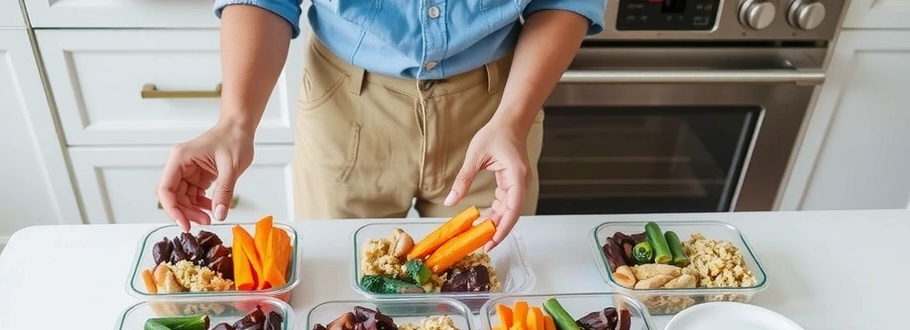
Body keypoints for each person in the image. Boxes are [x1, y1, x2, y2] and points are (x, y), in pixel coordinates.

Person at [156, 0, 605, 247]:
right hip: (346, 107)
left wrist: (512, 120)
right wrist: (235, 121)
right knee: (335, 283)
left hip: (499, 108)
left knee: (490, 286)